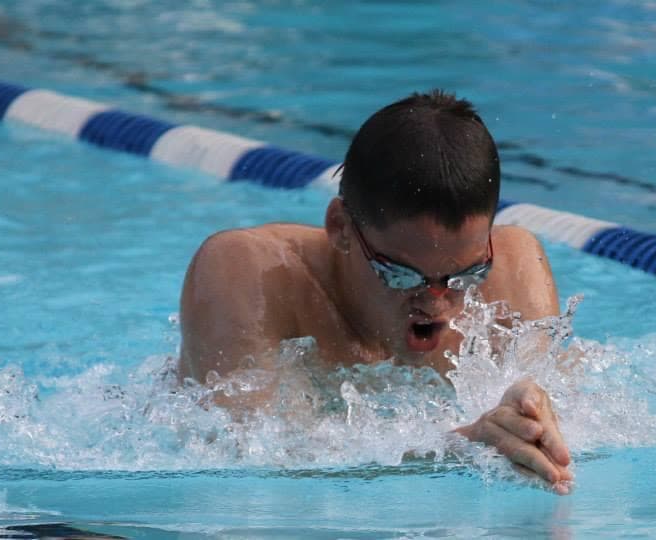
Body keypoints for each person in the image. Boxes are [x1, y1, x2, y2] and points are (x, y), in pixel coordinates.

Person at [178, 90, 573, 493]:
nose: (437, 303)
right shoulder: (252, 272)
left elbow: (558, 437)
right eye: (401, 274)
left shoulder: (512, 265)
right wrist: (460, 445)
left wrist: (533, 414)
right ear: (341, 227)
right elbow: (251, 469)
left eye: (466, 275)